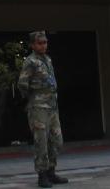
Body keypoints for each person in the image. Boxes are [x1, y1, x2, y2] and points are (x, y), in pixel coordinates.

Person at [17, 31, 68, 187]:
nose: (43, 45)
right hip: (38, 107)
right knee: (42, 142)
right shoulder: (30, 61)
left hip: (52, 106)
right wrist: (33, 99)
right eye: (39, 43)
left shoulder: (47, 59)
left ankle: (51, 171)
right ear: (32, 45)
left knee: (57, 140)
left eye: (45, 42)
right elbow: (22, 84)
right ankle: (42, 175)